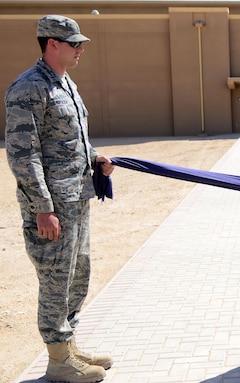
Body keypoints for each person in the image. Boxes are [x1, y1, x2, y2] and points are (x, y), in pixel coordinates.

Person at [5, 15, 115, 383]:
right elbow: (24, 154)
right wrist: (43, 208)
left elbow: (70, 143)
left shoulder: (66, 84)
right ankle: (58, 362)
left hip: (77, 199)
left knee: (76, 276)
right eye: (74, 44)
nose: (80, 49)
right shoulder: (28, 88)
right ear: (51, 43)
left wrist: (95, 158)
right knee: (55, 280)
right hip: (53, 207)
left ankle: (69, 347)